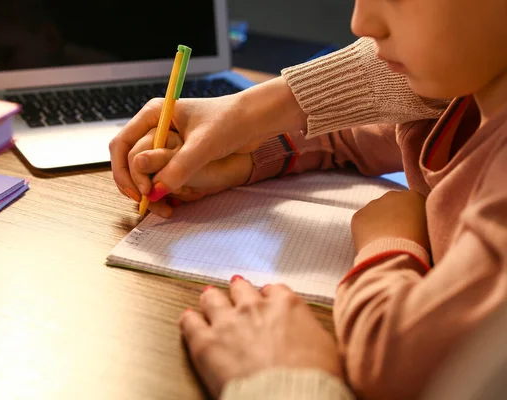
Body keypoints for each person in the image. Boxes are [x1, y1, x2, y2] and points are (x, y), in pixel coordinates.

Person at [110, 0, 507, 398]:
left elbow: (400, 367)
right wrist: (249, 155)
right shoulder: (468, 95)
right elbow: (361, 130)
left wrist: (390, 240)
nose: (360, 23)